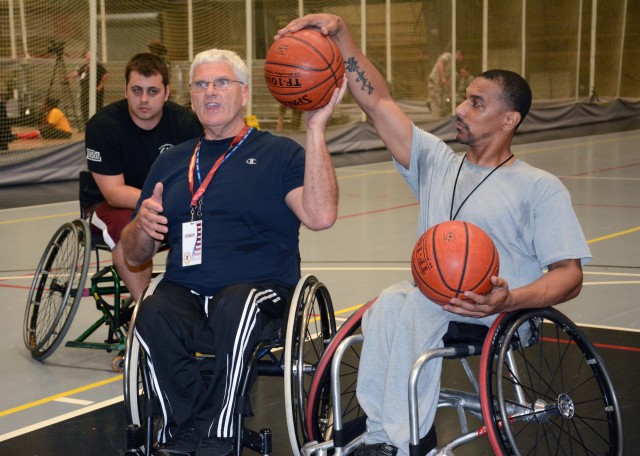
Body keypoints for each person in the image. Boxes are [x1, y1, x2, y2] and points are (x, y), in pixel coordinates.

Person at [277, 14, 591, 456]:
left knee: (417, 306)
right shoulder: (438, 162)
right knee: (388, 302)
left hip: (498, 310)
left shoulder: (538, 187)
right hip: (433, 297)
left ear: (509, 120)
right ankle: (384, 431)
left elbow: (569, 276)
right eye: (464, 100)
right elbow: (379, 103)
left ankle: (405, 442)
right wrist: (340, 35)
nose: (460, 110)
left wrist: (510, 298)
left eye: (476, 104)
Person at [120, 48, 346, 455]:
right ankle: (184, 427)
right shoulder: (171, 161)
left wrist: (315, 131)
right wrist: (142, 226)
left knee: (236, 304)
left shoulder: (281, 154)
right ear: (190, 96)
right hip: (186, 291)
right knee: (149, 311)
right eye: (201, 84)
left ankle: (221, 429)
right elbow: (135, 254)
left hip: (260, 294)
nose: (211, 92)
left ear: (244, 94)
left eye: (222, 82)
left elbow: (321, 215)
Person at [85, 52, 202, 302]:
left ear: (167, 92)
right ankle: (144, 312)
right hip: (112, 206)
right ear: (125, 90)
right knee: (135, 230)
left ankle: (193, 299)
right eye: (136, 90)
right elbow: (114, 193)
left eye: (152, 91)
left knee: (198, 228)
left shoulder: (187, 124)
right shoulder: (103, 126)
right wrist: (162, 205)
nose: (143, 99)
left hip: (167, 205)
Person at [67, 50, 109, 125]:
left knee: (97, 108)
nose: (86, 56)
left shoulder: (97, 65)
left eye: (87, 54)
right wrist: (68, 76)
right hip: (85, 91)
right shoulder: (85, 66)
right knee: (84, 107)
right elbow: (76, 73)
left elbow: (106, 75)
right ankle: (87, 125)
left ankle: (98, 125)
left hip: (95, 92)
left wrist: (100, 86)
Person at [2, 98, 73, 142]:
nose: (43, 106)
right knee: (41, 132)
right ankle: (20, 136)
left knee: (42, 131)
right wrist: (44, 114)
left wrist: (41, 128)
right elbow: (45, 123)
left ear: (48, 105)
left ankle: (20, 136)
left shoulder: (55, 111)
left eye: (45, 105)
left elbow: (49, 125)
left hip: (65, 133)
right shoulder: (50, 112)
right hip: (59, 131)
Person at [427, 50, 464, 120]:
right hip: (435, 83)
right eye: (462, 57)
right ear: (459, 54)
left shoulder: (453, 65)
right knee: (436, 104)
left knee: (442, 104)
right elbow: (440, 64)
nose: (462, 60)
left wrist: (450, 94)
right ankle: (436, 123)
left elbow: (449, 81)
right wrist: (442, 77)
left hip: (441, 87)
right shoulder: (448, 56)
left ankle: (440, 122)